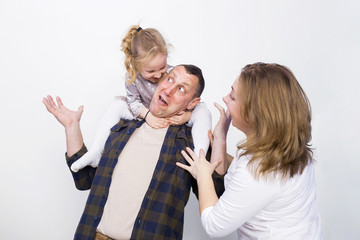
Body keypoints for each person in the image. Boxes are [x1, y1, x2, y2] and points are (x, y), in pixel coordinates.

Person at [42, 64, 225, 240]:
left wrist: (220, 142)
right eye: (169, 80)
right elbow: (84, 180)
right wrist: (71, 127)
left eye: (181, 89)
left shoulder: (191, 143)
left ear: (193, 103)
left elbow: (217, 198)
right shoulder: (122, 128)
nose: (169, 90)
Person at [177, 63, 324, 239]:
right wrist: (220, 139)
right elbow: (239, 172)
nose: (225, 98)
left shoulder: (258, 170)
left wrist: (203, 175)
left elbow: (214, 225)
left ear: (253, 113)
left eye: (232, 96)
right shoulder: (284, 144)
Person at [70, 25, 212, 172]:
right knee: (117, 105)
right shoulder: (133, 77)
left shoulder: (173, 74)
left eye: (162, 68)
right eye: (151, 71)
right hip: (142, 111)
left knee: (203, 111)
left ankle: (199, 162)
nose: (158, 75)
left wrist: (187, 116)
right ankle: (96, 152)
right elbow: (133, 102)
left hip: (172, 113)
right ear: (136, 65)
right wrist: (147, 115)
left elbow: (188, 98)